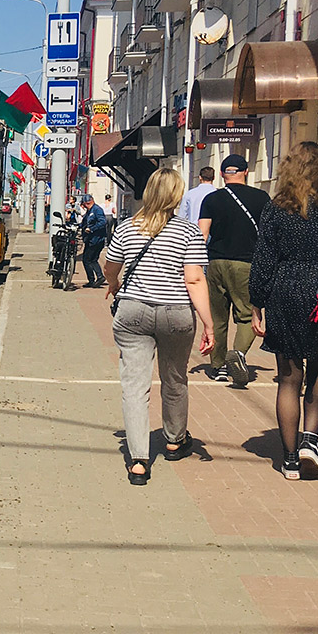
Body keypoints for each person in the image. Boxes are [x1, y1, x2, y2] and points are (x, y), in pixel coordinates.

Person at [249, 142, 318, 481]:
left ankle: (288, 460)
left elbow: (263, 260)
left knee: (288, 377)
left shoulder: (276, 209)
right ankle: (310, 443)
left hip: (285, 290)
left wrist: (257, 302)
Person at [103, 167, 215, 486]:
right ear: (177, 196)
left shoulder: (127, 228)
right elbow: (194, 279)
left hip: (133, 312)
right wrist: (209, 324)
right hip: (175, 313)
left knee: (135, 386)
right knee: (175, 378)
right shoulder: (189, 232)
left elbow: (110, 267)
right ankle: (174, 440)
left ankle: (139, 461)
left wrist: (113, 284)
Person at [198, 153, 269, 386]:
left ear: (221, 174)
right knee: (247, 315)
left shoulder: (211, 199)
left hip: (216, 263)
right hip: (246, 264)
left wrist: (196, 266)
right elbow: (269, 236)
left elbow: (203, 235)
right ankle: (237, 355)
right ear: (246, 172)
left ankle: (217, 366)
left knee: (217, 317)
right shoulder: (262, 198)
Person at [79, 192, 107, 287]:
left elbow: (103, 222)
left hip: (96, 239)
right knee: (90, 259)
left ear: (88, 202)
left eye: (84, 204)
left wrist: (91, 229)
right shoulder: (89, 211)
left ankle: (97, 278)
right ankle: (95, 278)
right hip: (90, 239)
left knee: (89, 259)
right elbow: (85, 223)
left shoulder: (97, 210)